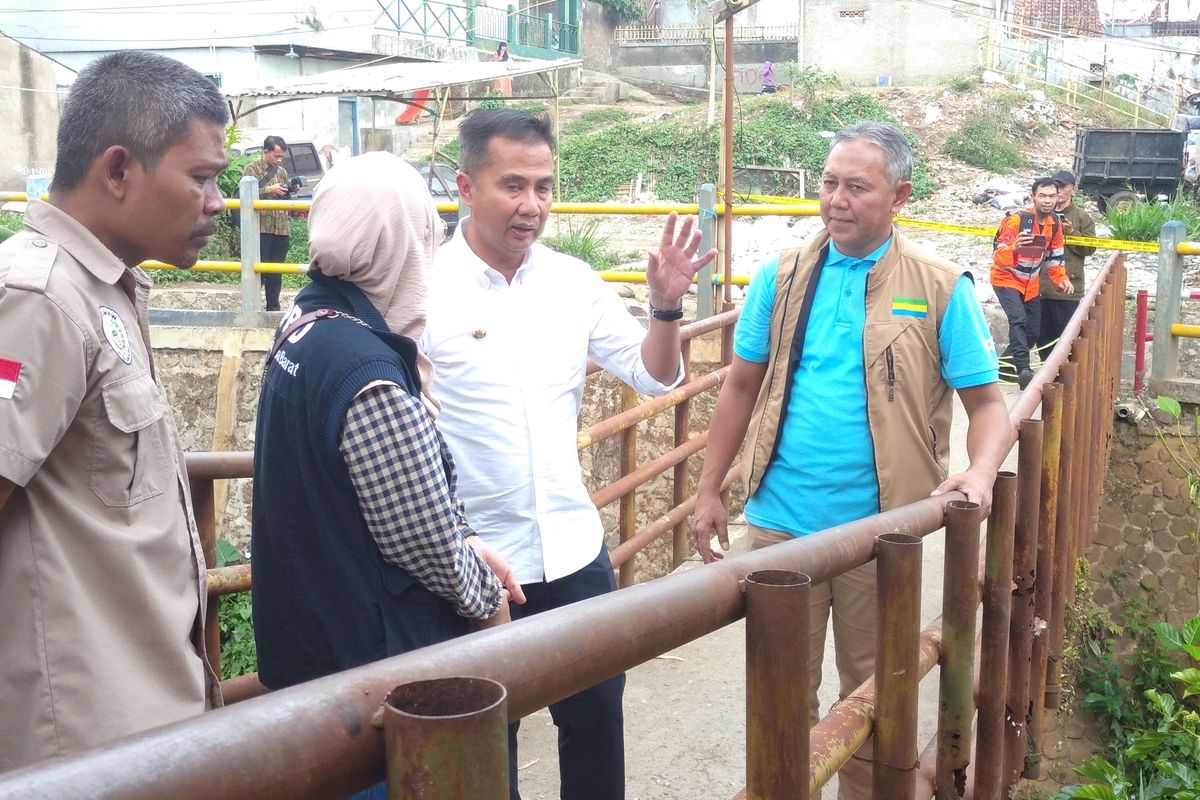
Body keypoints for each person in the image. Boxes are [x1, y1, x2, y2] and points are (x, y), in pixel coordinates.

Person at [690, 121, 1010, 800]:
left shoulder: (938, 286)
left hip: (880, 535)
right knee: (778, 701)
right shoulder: (782, 276)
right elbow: (741, 385)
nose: (837, 199)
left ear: (899, 195)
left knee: (871, 700)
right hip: (778, 527)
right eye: (830, 183)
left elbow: (987, 404)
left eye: (856, 187)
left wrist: (978, 473)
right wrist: (710, 488)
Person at [421, 108, 715, 800]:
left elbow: (656, 374)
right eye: (513, 185)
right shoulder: (425, 288)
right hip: (477, 564)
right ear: (465, 186)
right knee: (490, 745)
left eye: (545, 187)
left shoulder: (571, 281)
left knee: (596, 726)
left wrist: (666, 309)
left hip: (574, 552)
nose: (533, 206)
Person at [0, 50, 229, 772]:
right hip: (80, 746)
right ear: (119, 170)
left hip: (145, 728)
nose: (217, 202)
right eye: (200, 178)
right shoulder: (37, 301)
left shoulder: (108, 293)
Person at [252, 152, 525, 697]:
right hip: (372, 670)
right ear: (400, 244)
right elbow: (426, 545)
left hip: (310, 649)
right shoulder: (367, 374)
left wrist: (465, 540)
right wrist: (488, 595)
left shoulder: (305, 318)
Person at [991, 176, 1073, 389]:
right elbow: (998, 254)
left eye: (1052, 196)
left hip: (1031, 283)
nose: (1047, 200)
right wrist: (1015, 249)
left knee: (1032, 331)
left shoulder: (1055, 224)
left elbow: (1055, 258)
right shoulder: (1016, 221)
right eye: (1042, 196)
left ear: (1058, 198)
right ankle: (1023, 370)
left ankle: (1004, 367)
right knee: (1017, 320)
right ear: (1033, 197)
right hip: (1006, 278)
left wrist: (1061, 279)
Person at [1038, 170, 1095, 359]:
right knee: (1044, 340)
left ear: (1073, 190)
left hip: (1067, 289)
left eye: (1063, 186)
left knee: (1067, 340)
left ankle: (1067, 383)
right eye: (1056, 187)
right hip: (1041, 287)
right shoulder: (1042, 214)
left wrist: (1071, 234)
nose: (1059, 191)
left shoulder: (1082, 217)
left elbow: (1090, 249)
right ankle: (1046, 382)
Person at [241, 135, 291, 311]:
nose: (279, 160)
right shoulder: (251, 169)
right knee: (258, 272)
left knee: (275, 273)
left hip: (281, 228)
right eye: (276, 156)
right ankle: (252, 308)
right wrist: (268, 189)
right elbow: (244, 195)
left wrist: (290, 190)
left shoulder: (282, 172)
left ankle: (273, 309)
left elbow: (286, 197)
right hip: (261, 228)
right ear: (266, 152)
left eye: (281, 157)